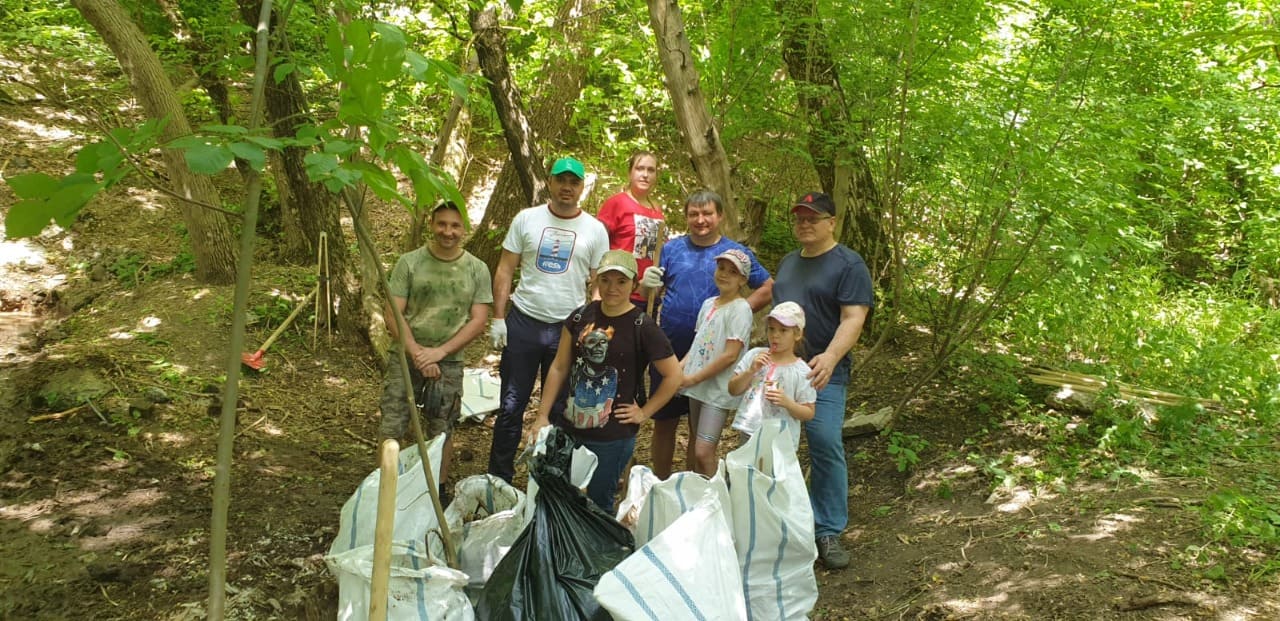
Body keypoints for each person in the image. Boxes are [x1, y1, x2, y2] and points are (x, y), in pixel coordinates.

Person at [528, 250, 681, 512]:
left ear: (634, 285)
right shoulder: (580, 317)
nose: (612, 288)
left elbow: (673, 375)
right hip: (568, 427)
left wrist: (644, 412)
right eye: (606, 280)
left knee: (600, 500)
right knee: (560, 494)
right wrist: (543, 415)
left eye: (621, 281)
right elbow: (560, 366)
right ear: (595, 281)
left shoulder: (641, 326)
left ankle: (601, 550)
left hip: (612, 435)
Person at [487, 156, 610, 483]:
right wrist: (498, 317)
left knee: (558, 410)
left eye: (574, 182)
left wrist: (592, 325)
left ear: (582, 187)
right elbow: (505, 268)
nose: (567, 187)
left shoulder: (595, 230)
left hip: (568, 328)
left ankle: (547, 481)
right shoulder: (527, 219)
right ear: (550, 183)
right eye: (561, 180)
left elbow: (599, 283)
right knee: (511, 405)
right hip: (524, 321)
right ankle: (498, 478)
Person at [639, 189, 774, 479]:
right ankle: (662, 483)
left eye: (707, 213)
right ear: (686, 217)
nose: (701, 220)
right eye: (694, 214)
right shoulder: (671, 248)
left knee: (698, 431)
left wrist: (737, 311)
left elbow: (767, 286)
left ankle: (694, 486)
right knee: (664, 419)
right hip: (671, 349)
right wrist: (644, 284)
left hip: (716, 355)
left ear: (720, 215)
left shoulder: (735, 253)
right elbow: (647, 294)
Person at [772, 191, 874, 571]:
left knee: (824, 442)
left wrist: (830, 357)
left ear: (832, 222)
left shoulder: (849, 264)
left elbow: (853, 318)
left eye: (813, 218)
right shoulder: (787, 263)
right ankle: (775, 522)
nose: (804, 223)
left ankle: (827, 529)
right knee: (770, 442)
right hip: (781, 370)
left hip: (821, 372)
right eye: (799, 217)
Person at [379, 201, 493, 490]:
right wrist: (417, 352)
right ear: (431, 225)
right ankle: (388, 488)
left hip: (449, 361)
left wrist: (439, 354)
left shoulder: (476, 269)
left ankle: (436, 490)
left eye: (455, 225)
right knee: (393, 425)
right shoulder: (410, 262)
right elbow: (393, 313)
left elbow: (479, 319)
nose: (448, 231)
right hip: (405, 357)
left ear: (464, 229)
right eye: (442, 224)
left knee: (442, 428)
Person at [677, 248, 753, 476]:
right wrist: (679, 370)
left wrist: (693, 377)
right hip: (696, 386)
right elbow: (698, 344)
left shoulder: (741, 309)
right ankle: (699, 493)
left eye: (733, 272)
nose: (724, 275)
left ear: (742, 280)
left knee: (703, 451)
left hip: (718, 390)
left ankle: (718, 497)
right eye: (721, 268)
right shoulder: (709, 304)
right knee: (695, 442)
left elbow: (730, 354)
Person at [727, 301, 816, 447]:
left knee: (774, 470)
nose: (775, 335)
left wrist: (787, 403)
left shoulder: (802, 371)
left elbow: (809, 412)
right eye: (771, 329)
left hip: (782, 439)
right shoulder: (754, 356)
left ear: (797, 334)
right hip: (750, 432)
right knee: (746, 468)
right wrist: (751, 371)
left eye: (783, 330)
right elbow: (733, 389)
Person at [596, 151, 665, 308]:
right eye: (640, 168)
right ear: (630, 172)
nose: (645, 175)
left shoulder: (657, 209)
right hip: (618, 292)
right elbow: (598, 246)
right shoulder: (616, 203)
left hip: (647, 294)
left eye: (651, 170)